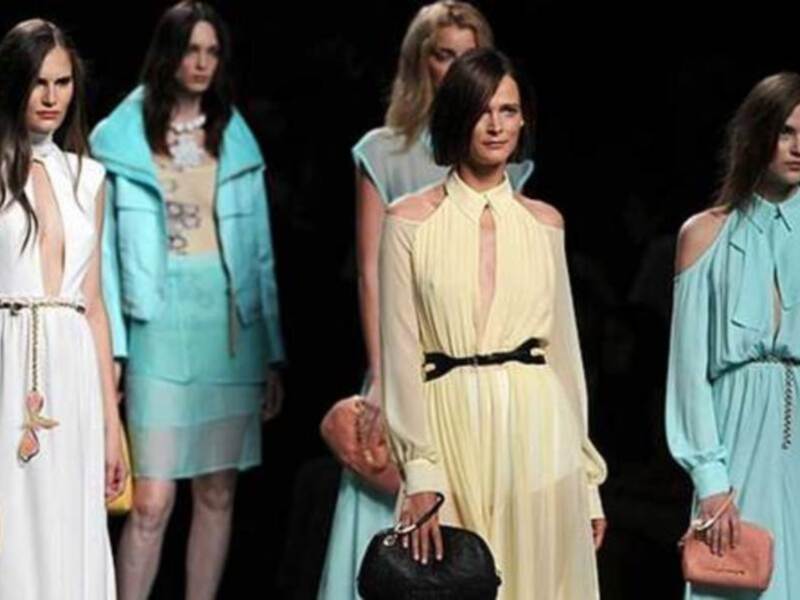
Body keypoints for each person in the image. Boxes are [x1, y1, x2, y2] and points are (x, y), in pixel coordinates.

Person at [317, 3, 532, 598]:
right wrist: (383, 379)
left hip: (479, 363)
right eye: (443, 54)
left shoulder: (507, 159)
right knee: (394, 514)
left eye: (470, 54)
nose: (457, 66)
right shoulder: (384, 152)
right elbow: (370, 272)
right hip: (403, 352)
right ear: (420, 63)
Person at [379, 48, 606, 600]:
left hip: (539, 429)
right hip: (449, 429)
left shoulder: (545, 224)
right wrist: (420, 471)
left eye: (508, 110)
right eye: (482, 110)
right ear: (456, 116)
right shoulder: (408, 221)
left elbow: (565, 357)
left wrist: (587, 482)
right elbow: (401, 355)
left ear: (524, 120)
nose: (496, 125)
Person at [91, 2, 284, 598]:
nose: (201, 63)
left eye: (212, 52)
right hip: (153, 325)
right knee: (151, 499)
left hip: (228, 332)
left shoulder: (234, 135)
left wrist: (272, 353)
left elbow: (259, 253)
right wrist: (113, 354)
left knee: (217, 490)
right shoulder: (119, 138)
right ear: (168, 53)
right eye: (191, 49)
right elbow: (101, 261)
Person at [0, 18, 125, 599]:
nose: (51, 98)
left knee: (68, 524)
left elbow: (93, 306)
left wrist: (112, 427)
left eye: (63, 82)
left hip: (72, 369)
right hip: (7, 355)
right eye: (38, 82)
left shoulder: (88, 178)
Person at [666, 72, 800, 600]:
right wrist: (710, 478)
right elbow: (688, 374)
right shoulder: (705, 235)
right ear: (758, 134)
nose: (798, 147)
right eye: (786, 131)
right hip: (737, 437)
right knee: (740, 580)